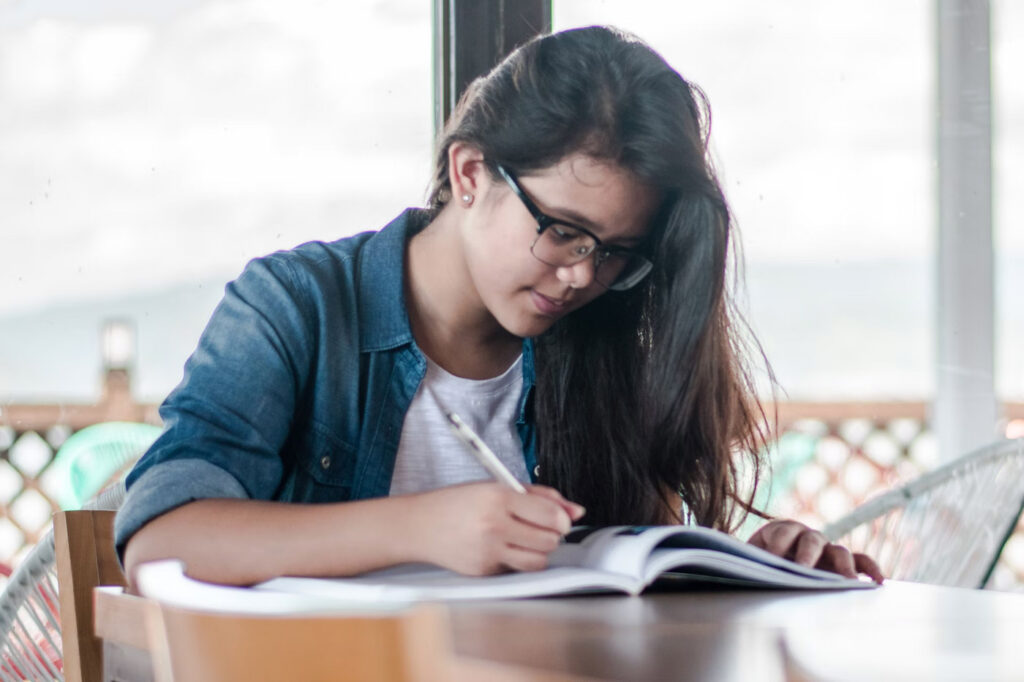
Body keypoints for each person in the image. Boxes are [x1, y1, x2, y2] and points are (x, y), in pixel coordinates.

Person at [116, 26, 883, 586]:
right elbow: (161, 539)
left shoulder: (598, 342)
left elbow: (635, 579)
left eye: (614, 251)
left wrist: (758, 564)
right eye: (564, 232)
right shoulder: (297, 306)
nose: (583, 276)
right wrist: (422, 526)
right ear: (472, 171)